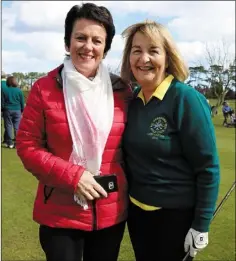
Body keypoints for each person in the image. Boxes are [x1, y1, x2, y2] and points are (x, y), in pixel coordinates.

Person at [16, 3, 131, 261]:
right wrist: (74, 177)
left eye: (96, 40)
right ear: (68, 43)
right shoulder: (44, 88)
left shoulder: (122, 91)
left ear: (105, 48)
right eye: (80, 37)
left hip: (110, 212)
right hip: (60, 213)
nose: (88, 46)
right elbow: (27, 145)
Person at [121, 20, 220, 261]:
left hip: (175, 219)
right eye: (137, 50)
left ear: (167, 57)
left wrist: (201, 224)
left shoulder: (186, 99)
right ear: (128, 58)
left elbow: (208, 167)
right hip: (137, 214)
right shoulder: (132, 101)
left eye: (153, 50)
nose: (144, 58)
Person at [2, 75, 24, 148]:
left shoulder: (5, 90)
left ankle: (10, 142)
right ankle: (17, 143)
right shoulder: (19, 90)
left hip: (7, 110)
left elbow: (2, 102)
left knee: (8, 126)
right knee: (17, 127)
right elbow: (22, 102)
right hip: (17, 110)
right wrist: (22, 110)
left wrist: (2, 109)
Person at [1, 71, 8, 144]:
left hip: (3, 106)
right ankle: (7, 139)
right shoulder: (9, 85)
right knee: (7, 125)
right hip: (6, 107)